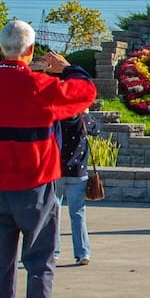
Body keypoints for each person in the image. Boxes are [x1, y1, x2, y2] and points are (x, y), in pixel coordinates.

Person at [0, 21, 97, 298]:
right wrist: (68, 68)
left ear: (0, 48)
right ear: (31, 50)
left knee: (2, 259)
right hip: (35, 187)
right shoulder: (41, 87)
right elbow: (85, 92)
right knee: (39, 262)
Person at [54, 108, 99, 267]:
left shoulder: (56, 118)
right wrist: (86, 112)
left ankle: (53, 252)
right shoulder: (83, 119)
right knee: (78, 213)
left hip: (57, 170)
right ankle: (83, 252)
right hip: (78, 172)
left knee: (53, 212)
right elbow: (97, 129)